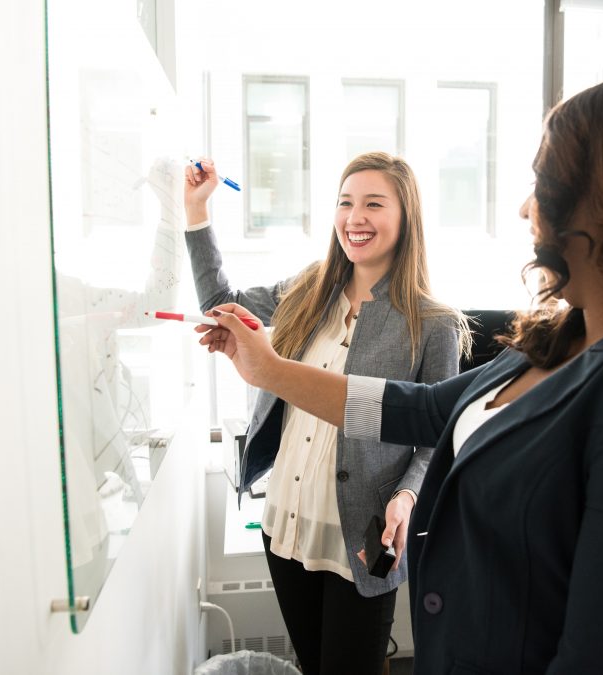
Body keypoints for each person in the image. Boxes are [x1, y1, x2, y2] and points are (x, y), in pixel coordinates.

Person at [195, 78, 603, 674]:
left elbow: (602, 661)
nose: (525, 208)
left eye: (542, 183)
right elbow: (421, 409)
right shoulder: (557, 338)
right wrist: (271, 370)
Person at [184, 152, 469, 674]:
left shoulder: (433, 323)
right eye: (345, 203)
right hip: (287, 522)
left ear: (406, 217)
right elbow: (221, 302)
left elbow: (438, 435)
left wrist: (407, 497)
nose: (354, 218)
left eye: (373, 204)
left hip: (362, 535)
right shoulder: (309, 289)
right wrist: (197, 212)